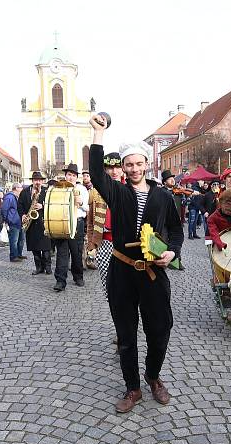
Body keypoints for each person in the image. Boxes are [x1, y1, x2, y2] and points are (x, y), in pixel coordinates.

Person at [88, 115, 184, 413]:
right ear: (123, 167)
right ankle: (132, 388)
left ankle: (153, 377)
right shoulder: (116, 191)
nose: (133, 169)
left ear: (146, 165)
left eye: (138, 163)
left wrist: (172, 252)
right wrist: (97, 134)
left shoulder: (163, 196)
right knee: (126, 334)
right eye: (128, 164)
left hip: (154, 274)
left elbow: (176, 231)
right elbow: (95, 172)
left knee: (160, 330)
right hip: (122, 271)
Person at [90, 153, 124, 298]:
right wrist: (91, 245)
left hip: (124, 244)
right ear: (104, 169)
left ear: (122, 168)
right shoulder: (95, 192)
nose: (114, 171)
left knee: (125, 284)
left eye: (117, 167)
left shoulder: (130, 189)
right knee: (107, 284)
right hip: (104, 242)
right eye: (110, 168)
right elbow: (90, 222)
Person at [52, 163, 88, 292]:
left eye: (73, 175)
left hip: (77, 223)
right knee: (62, 253)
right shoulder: (58, 188)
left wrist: (81, 202)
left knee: (76, 252)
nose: (70, 177)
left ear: (76, 177)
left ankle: (78, 277)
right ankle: (60, 281)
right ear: (65, 176)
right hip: (62, 223)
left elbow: (87, 209)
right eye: (69, 175)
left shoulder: (82, 189)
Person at [18, 171, 52, 275]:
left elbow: (52, 204)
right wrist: (23, 214)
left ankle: (48, 267)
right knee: (35, 249)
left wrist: (43, 206)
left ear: (42, 181)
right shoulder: (25, 192)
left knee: (46, 249)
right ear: (32, 181)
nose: (37, 182)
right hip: (31, 224)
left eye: (39, 180)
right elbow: (19, 205)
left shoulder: (47, 192)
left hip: (44, 223)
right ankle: (39, 267)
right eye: (35, 180)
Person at [2, 183, 25, 262]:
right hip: (13, 222)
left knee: (21, 240)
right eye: (21, 187)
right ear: (16, 188)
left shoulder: (17, 197)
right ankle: (13, 256)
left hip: (19, 222)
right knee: (14, 241)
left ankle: (19, 254)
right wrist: (7, 220)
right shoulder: (9, 197)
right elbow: (4, 209)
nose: (22, 189)